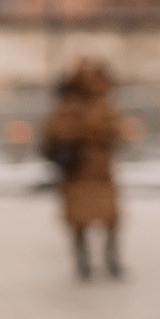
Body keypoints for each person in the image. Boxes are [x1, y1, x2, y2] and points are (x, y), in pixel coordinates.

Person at [42, 58, 124, 282]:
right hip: (80, 171)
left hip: (95, 171)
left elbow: (115, 132)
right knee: (84, 220)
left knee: (107, 219)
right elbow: (56, 133)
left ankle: (103, 260)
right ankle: (91, 261)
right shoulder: (79, 106)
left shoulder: (84, 105)